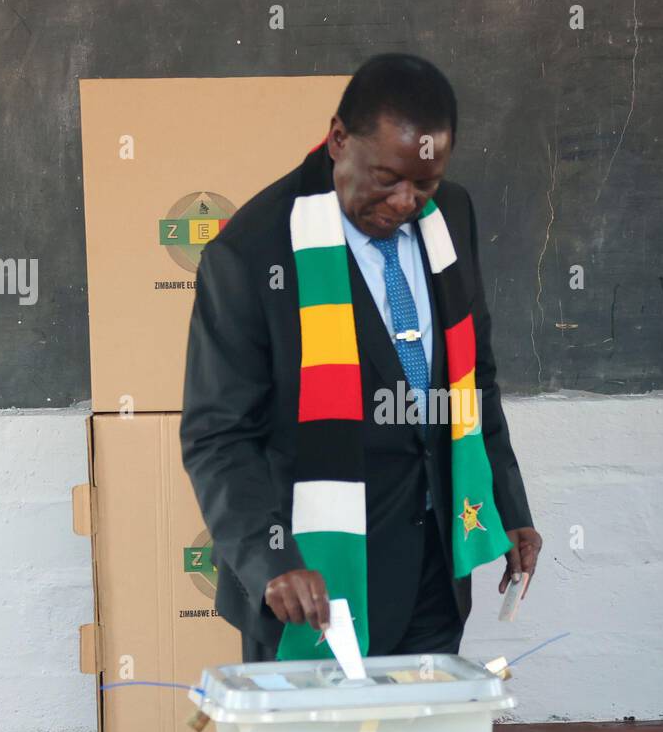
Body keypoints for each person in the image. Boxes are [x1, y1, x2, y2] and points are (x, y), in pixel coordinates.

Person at [181, 53, 540, 663]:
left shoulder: (450, 213)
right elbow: (219, 436)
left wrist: (506, 504)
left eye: (422, 183)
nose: (405, 202)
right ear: (338, 139)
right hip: (312, 585)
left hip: (434, 572)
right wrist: (273, 562)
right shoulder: (252, 254)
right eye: (386, 178)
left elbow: (474, 376)